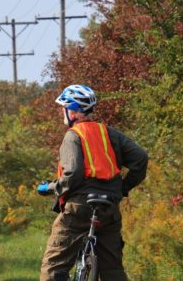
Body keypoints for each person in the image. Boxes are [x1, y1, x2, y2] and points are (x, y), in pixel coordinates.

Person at [37, 85, 148, 281]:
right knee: (113, 271)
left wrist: (52, 187)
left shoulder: (73, 136)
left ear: (72, 111)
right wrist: (121, 188)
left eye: (63, 107)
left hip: (79, 208)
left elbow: (73, 173)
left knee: (53, 268)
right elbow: (141, 159)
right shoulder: (110, 133)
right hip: (108, 208)